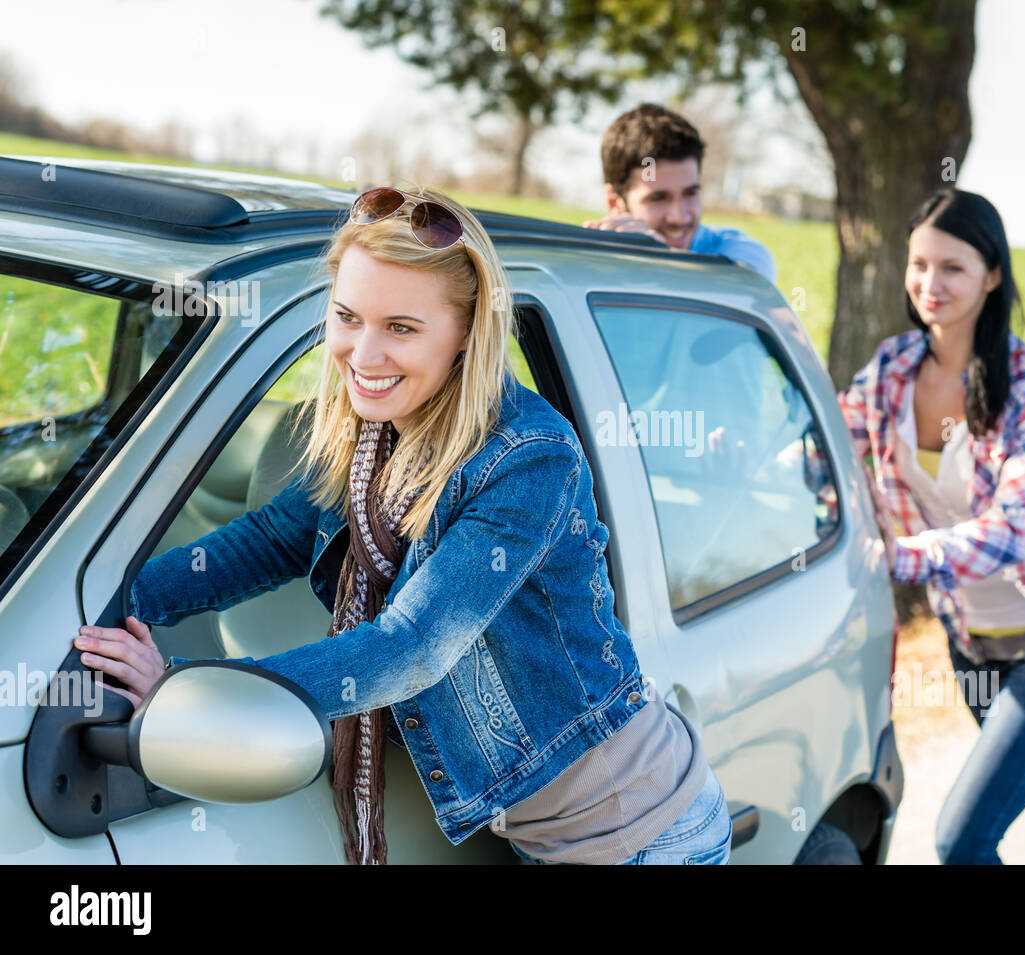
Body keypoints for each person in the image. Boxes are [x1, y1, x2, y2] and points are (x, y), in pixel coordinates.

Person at [74, 184, 731, 866]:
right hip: (550, 840)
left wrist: (189, 690)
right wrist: (96, 601)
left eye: (401, 327)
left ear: (467, 335)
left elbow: (412, 646)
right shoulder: (371, 438)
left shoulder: (528, 455)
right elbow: (272, 540)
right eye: (348, 316)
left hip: (644, 836)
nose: (363, 353)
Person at [838, 188, 1025, 865]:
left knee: (962, 839)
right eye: (919, 264)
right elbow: (826, 443)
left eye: (952, 267)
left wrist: (897, 557)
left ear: (992, 274)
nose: (929, 283)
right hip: (973, 645)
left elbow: (1013, 530)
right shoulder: (891, 369)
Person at [584, 102, 777, 284]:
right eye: (658, 198)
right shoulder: (589, 265)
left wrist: (659, 257)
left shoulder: (741, 255)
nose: (679, 217)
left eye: (690, 193)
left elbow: (742, 289)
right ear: (615, 202)